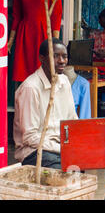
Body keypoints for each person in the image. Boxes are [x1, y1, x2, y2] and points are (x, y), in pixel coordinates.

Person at [13, 38, 78, 169]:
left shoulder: (64, 81)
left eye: (64, 57)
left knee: (102, 155)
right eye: (56, 56)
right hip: (33, 152)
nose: (61, 61)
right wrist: (61, 148)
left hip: (60, 147)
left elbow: (72, 121)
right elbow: (30, 137)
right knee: (63, 168)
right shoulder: (30, 88)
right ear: (42, 58)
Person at [8, 0, 63, 82]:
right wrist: (10, 41)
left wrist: (55, 43)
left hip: (43, 33)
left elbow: (56, 17)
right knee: (23, 74)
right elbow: (17, 16)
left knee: (43, 74)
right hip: (25, 34)